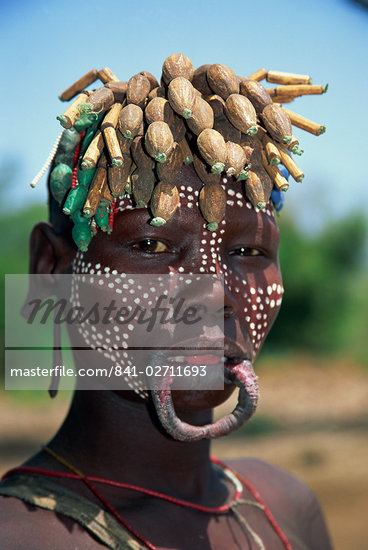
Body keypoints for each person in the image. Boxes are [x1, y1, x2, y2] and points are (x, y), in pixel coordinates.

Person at [0, 54, 333, 549]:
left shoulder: (286, 507)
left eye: (247, 252)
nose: (216, 292)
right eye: (152, 246)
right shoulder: (20, 535)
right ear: (53, 269)